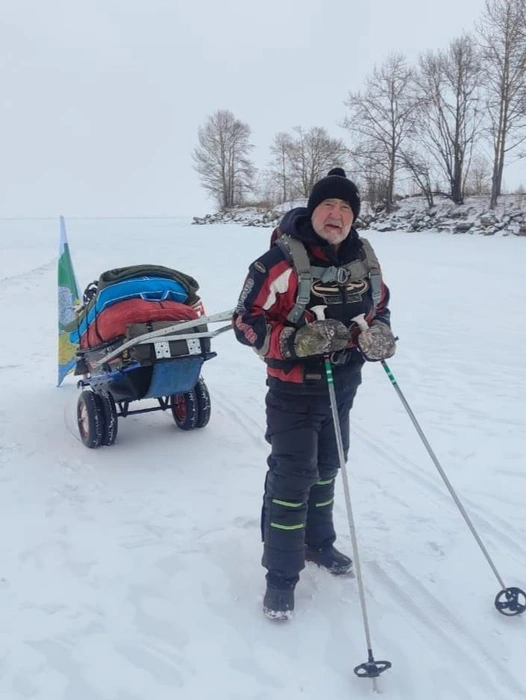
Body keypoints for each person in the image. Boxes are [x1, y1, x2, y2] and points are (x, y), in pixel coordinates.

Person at [233, 168, 396, 621]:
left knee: (328, 466)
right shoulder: (280, 263)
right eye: (329, 205)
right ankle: (280, 578)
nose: (337, 214)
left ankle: (318, 543)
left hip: (343, 383)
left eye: (346, 208)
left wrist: (379, 332)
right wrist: (291, 342)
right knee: (293, 475)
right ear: (313, 209)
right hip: (292, 391)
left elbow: (379, 305)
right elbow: (245, 319)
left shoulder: (364, 258)